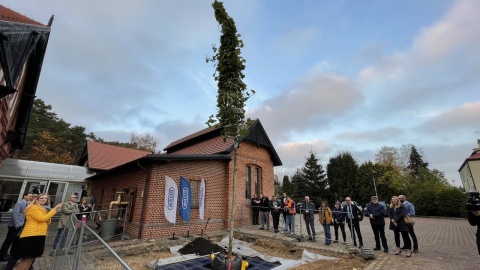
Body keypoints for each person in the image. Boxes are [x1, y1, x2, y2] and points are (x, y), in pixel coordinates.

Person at [8, 193, 62, 270]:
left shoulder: (42, 208)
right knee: (26, 259)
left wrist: (47, 217)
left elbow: (47, 220)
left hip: (39, 234)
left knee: (30, 259)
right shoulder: (33, 208)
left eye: (45, 198)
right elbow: (42, 219)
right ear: (37, 199)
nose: (44, 200)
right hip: (31, 235)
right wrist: (55, 209)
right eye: (41, 198)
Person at [0, 192, 33, 261]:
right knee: (8, 240)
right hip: (15, 225)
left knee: (15, 239)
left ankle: (10, 254)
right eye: (29, 196)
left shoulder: (27, 204)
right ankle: (2, 255)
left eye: (31, 196)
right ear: (24, 196)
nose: (31, 197)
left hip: (20, 224)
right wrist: (16, 224)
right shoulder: (19, 203)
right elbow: (15, 214)